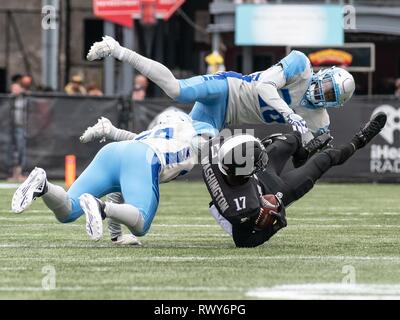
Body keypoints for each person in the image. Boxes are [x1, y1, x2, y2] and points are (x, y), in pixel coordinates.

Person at [87, 36, 355, 143]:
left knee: (181, 152)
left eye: (330, 96)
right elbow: (263, 85)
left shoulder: (319, 119)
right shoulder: (301, 64)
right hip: (227, 88)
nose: (322, 94)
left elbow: (304, 154)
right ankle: (117, 48)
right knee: (176, 90)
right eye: (327, 87)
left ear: (334, 105)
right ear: (324, 74)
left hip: (223, 117)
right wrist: (289, 115)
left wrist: (313, 146)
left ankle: (112, 131)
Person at [11, 109, 212, 244]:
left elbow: (120, 188)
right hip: (143, 158)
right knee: (141, 225)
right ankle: (100, 207)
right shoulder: (194, 138)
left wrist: (116, 237)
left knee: (68, 211)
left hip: (112, 152)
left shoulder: (151, 134)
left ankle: (44, 185)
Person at [201, 112, 387, 247]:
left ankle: (302, 154)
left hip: (250, 181)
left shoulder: (212, 158)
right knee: (326, 157)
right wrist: (275, 225)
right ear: (247, 171)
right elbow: (243, 241)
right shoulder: (244, 208)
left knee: (291, 139)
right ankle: (360, 140)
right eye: (256, 162)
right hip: (272, 194)